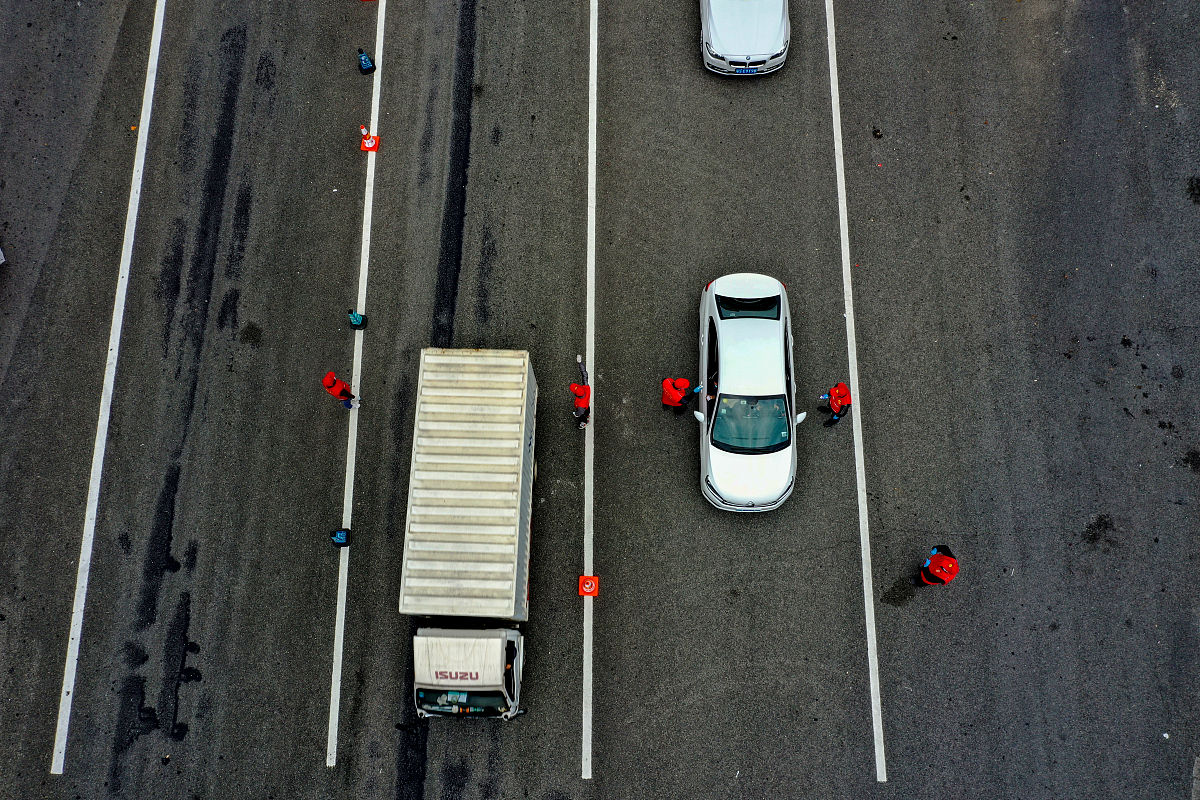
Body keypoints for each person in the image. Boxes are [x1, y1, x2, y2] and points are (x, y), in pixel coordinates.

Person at [571, 355, 591, 429]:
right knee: (586, 412)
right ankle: (586, 417)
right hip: (586, 405)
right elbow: (584, 373)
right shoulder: (586, 387)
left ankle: (582, 424)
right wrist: (580, 363)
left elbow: (578, 414)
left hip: (585, 407)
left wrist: (576, 413)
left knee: (582, 417)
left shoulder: (580, 407)